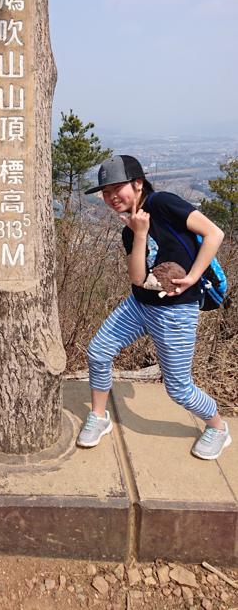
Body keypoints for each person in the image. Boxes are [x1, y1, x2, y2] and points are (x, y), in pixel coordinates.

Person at [77, 155, 231, 461]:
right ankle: (99, 416)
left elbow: (215, 233)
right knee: (99, 350)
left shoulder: (163, 203)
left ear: (137, 183)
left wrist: (192, 278)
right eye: (105, 193)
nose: (110, 198)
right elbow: (137, 277)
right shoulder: (128, 230)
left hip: (177, 311)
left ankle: (217, 426)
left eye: (116, 189)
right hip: (139, 305)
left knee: (178, 388)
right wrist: (140, 233)